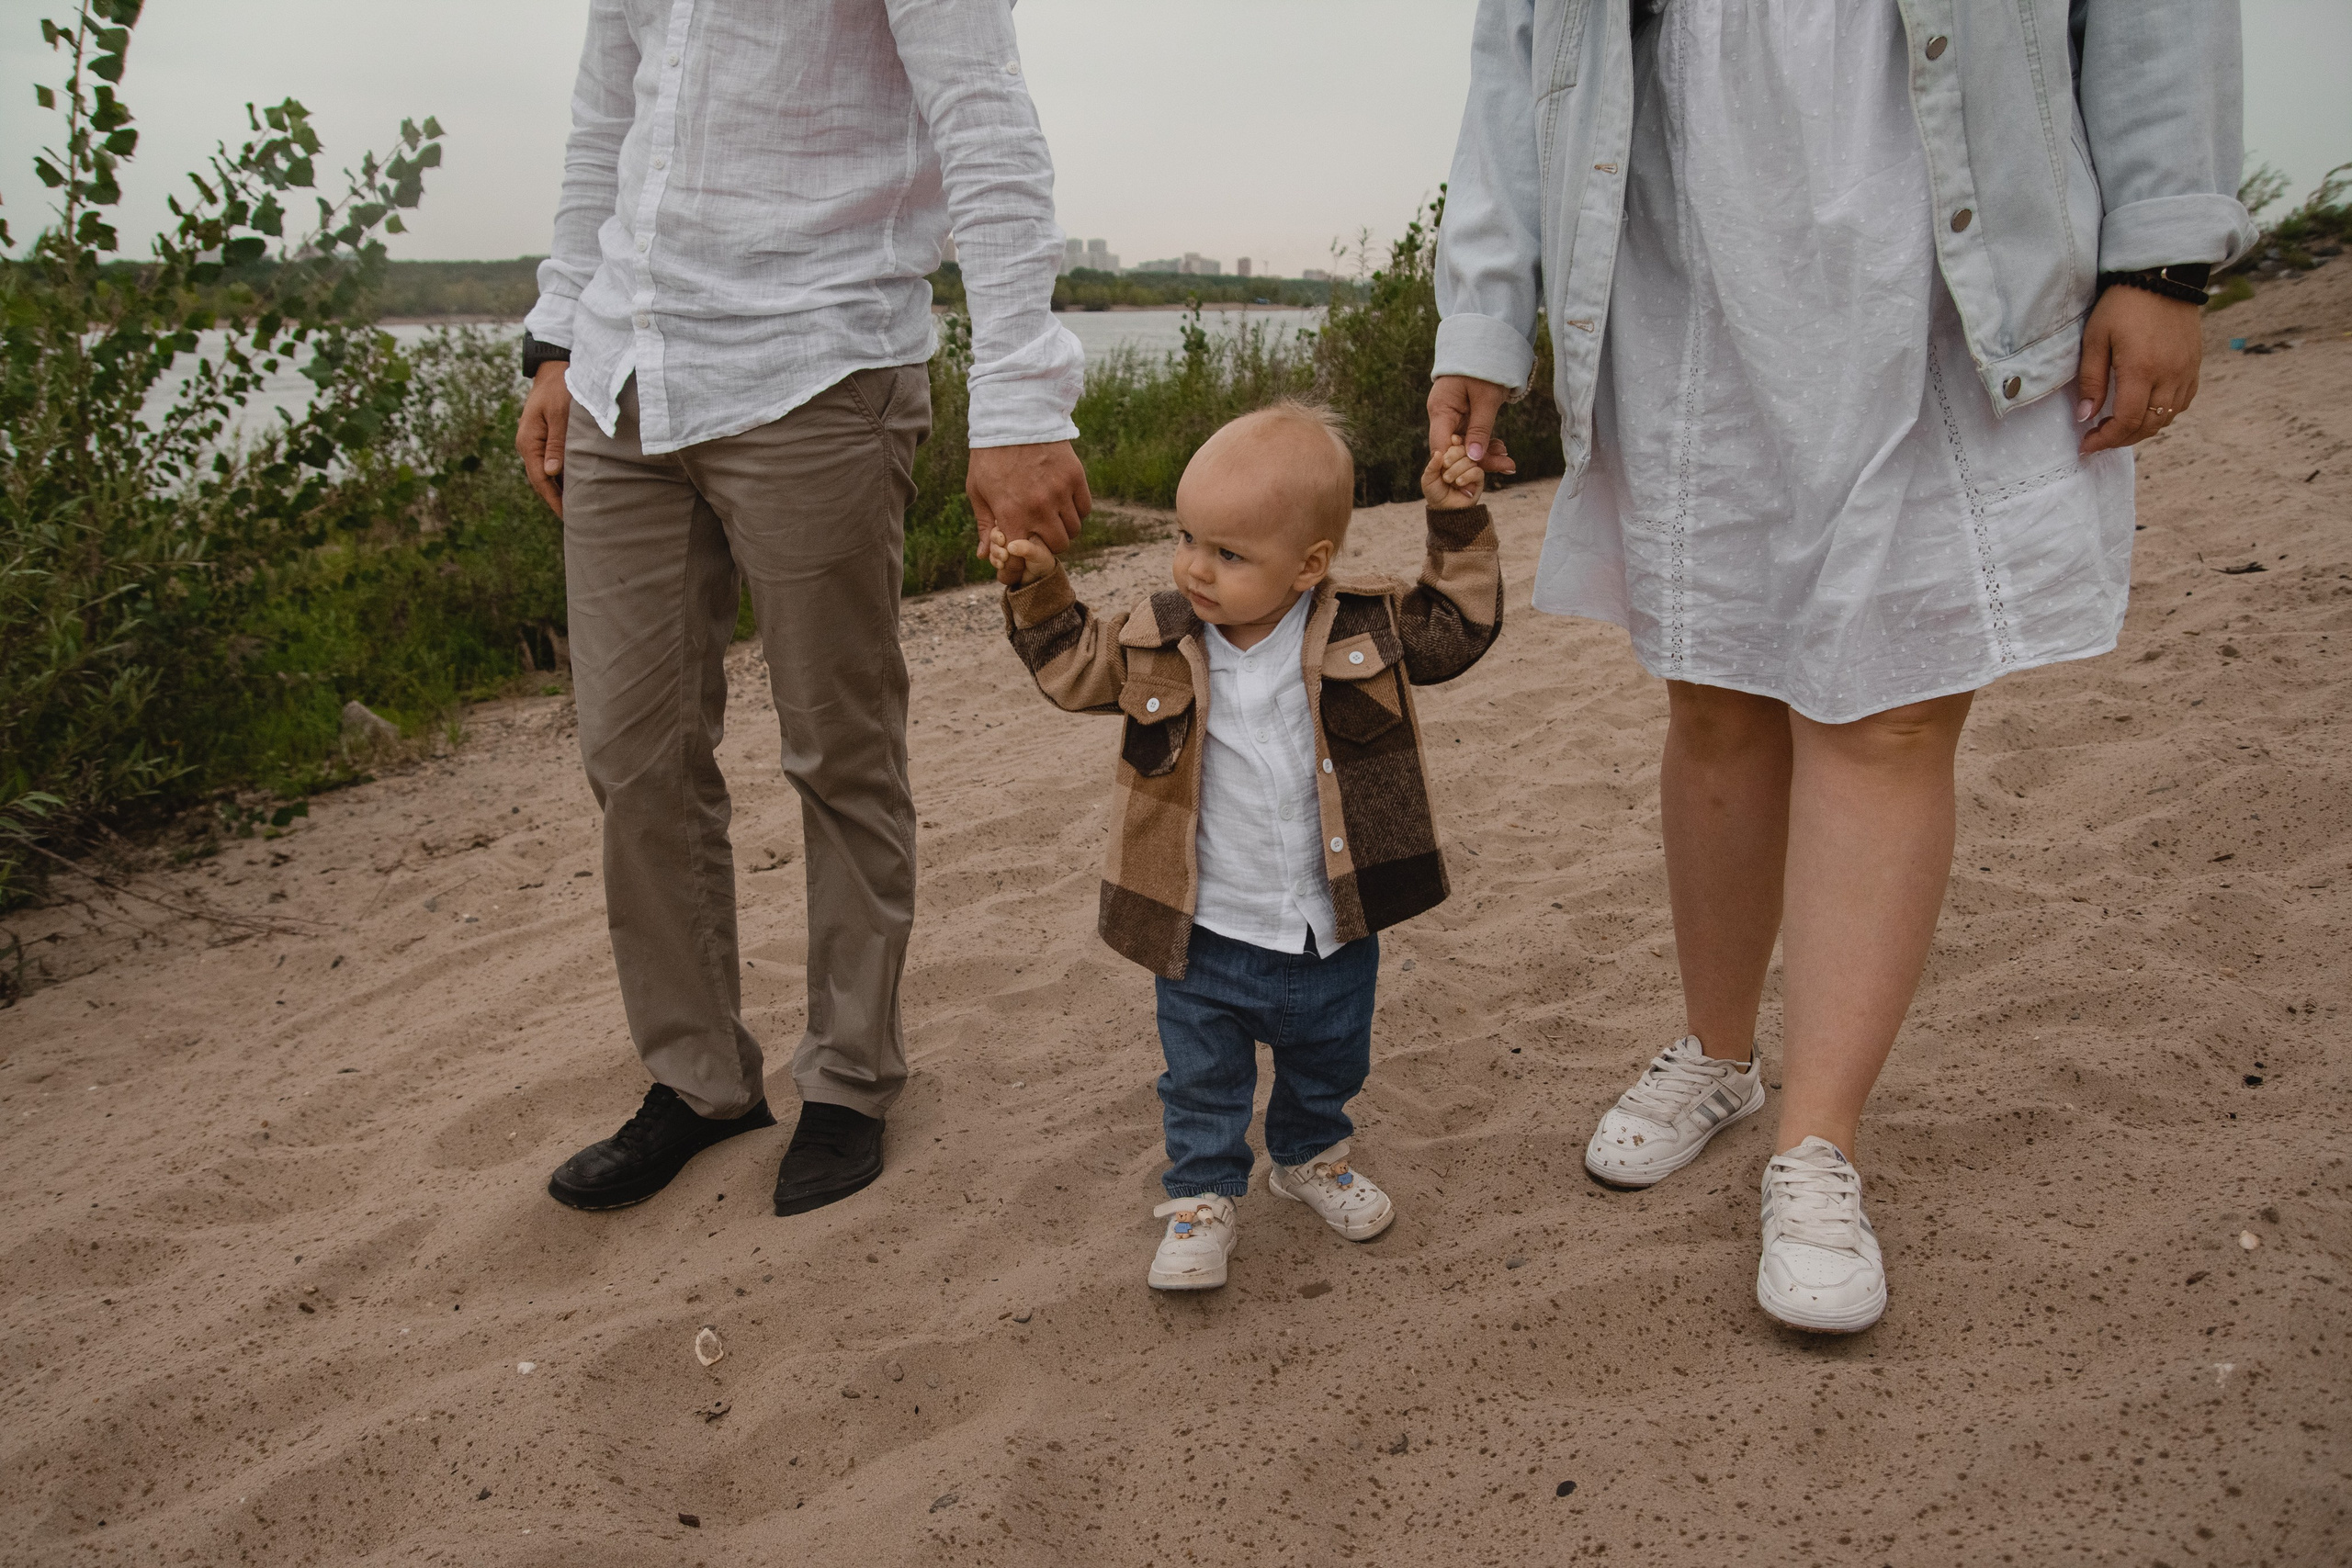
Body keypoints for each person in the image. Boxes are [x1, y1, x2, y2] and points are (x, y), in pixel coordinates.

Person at [1429, 0, 2252, 1331]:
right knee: (1714, 684)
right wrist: (1481, 311)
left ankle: (1816, 1139)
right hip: (1684, 229)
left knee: (1888, 712)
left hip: (1943, 227)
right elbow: (1519, 43)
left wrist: (2163, 253)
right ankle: (1716, 1049)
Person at [514, 0, 1091, 1217]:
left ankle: (849, 1073)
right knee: (633, 752)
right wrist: (558, 340)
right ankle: (700, 1077)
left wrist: (1021, 394)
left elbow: (985, 116)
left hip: (819, 355)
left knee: (839, 745)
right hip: (628, 366)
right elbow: (604, 111)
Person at [989, 404, 1505, 1289]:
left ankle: (1308, 1157)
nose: (1195, 565)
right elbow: (1073, 666)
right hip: (1202, 924)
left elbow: (1459, 628)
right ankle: (1201, 1193)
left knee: (1332, 1054)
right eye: (1188, 536)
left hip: (1330, 915)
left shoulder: (1366, 626)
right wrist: (1038, 587)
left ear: (1308, 564)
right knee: (1201, 1075)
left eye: (1229, 554)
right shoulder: (1158, 634)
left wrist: (1454, 520)